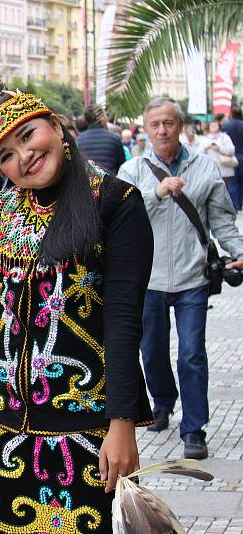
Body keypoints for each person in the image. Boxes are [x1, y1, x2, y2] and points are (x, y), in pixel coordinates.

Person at [0, 87, 155, 532]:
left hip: (86, 426)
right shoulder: (1, 211)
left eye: (28, 135)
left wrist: (122, 423)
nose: (23, 156)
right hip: (2, 425)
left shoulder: (116, 202)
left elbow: (124, 322)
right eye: (6, 155)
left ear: (58, 129)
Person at [118, 97, 243, 460]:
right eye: (155, 124)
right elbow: (121, 218)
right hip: (149, 279)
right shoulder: (133, 170)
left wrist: (237, 252)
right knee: (152, 351)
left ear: (181, 126)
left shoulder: (204, 167)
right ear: (145, 127)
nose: (162, 130)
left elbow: (221, 218)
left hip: (192, 276)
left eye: (169, 123)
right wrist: (155, 194)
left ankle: (194, 428)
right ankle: (162, 403)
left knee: (191, 354)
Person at [77, 105, 127, 175]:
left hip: (87, 183)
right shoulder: (115, 139)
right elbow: (122, 168)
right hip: (110, 183)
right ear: (102, 118)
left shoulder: (79, 140)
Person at [203, 119, 238, 191]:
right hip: (209, 171)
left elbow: (232, 150)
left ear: (219, 126)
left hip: (224, 170)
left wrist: (220, 148)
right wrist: (206, 147)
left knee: (224, 191)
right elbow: (199, 152)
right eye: (211, 125)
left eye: (215, 125)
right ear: (208, 127)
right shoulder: (204, 138)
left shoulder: (225, 137)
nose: (213, 127)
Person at [222, 106, 243, 210]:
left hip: (231, 157)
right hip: (242, 154)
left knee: (233, 182)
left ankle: (235, 205)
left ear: (232, 114)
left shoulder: (225, 126)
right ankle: (240, 202)